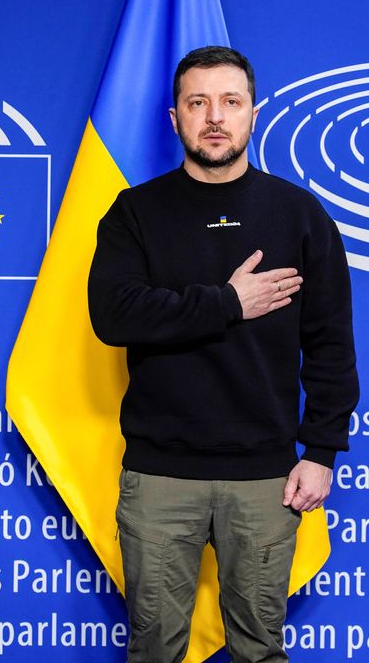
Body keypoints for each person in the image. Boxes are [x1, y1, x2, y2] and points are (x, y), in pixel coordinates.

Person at [87, 46, 359, 663]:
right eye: (198, 102)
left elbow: (331, 344)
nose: (215, 116)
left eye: (230, 102)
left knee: (261, 651)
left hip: (266, 475)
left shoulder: (300, 215)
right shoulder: (136, 213)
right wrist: (228, 302)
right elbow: (114, 315)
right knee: (154, 649)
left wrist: (320, 452)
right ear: (175, 118)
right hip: (159, 474)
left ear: (253, 114)